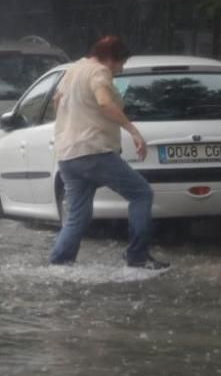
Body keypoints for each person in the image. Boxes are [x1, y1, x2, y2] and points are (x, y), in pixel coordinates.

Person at [48, 35, 169, 270]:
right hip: (94, 151)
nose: (121, 69)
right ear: (111, 59)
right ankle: (138, 257)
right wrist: (133, 131)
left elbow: (56, 102)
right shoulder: (99, 72)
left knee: (77, 216)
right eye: (121, 63)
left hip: (67, 156)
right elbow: (104, 102)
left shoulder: (72, 71)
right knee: (141, 193)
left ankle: (59, 264)